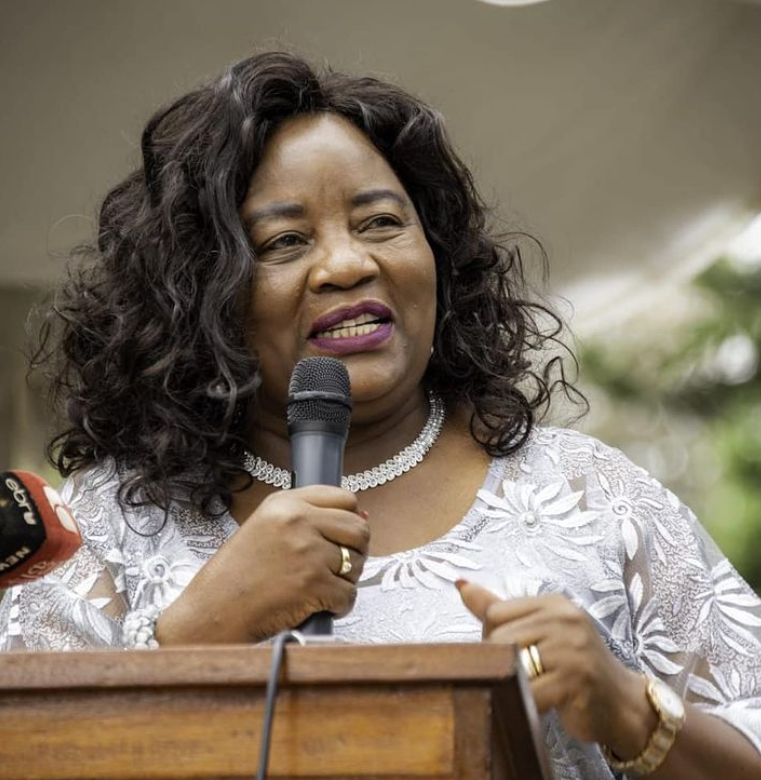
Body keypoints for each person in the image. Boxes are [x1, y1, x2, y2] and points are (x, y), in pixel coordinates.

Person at [1, 51, 760, 779]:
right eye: (286, 241)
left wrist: (632, 711)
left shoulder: (593, 499)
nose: (347, 264)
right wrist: (193, 636)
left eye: (379, 223)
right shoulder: (107, 529)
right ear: (201, 296)